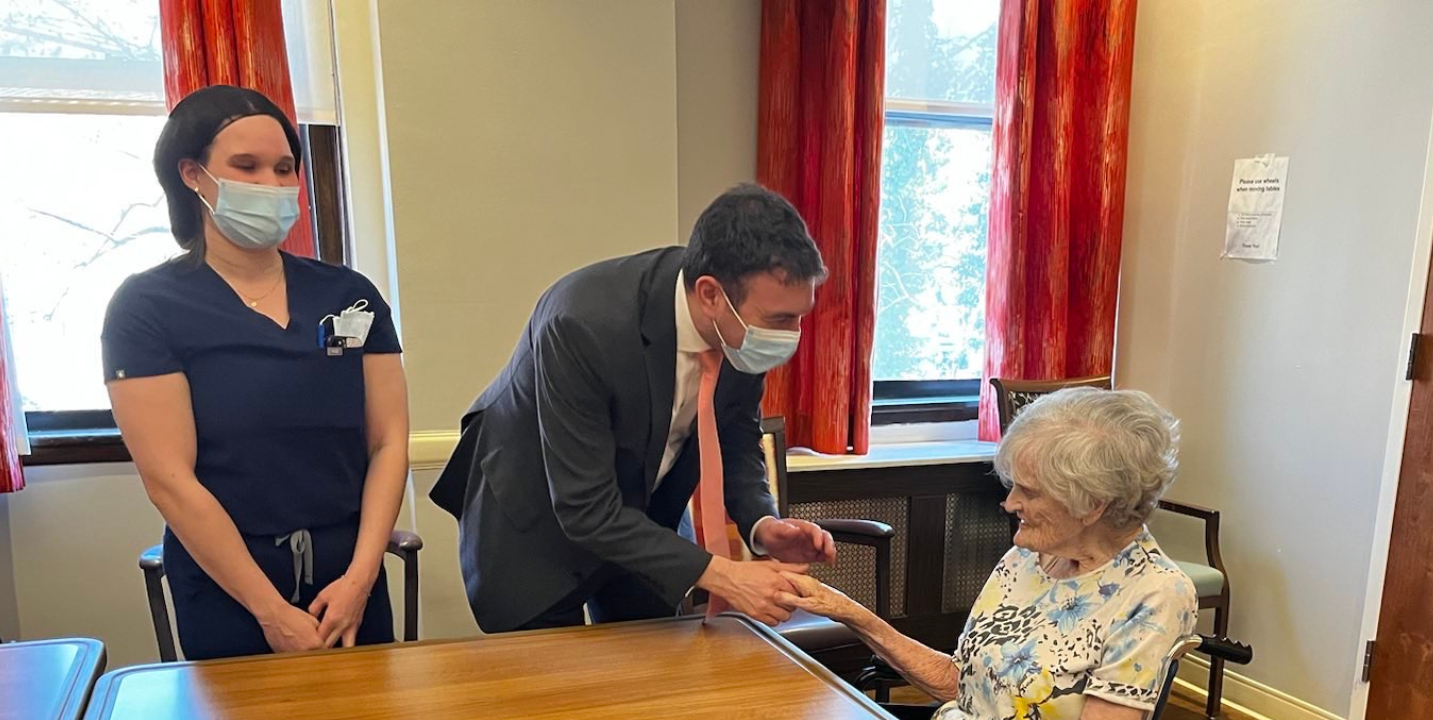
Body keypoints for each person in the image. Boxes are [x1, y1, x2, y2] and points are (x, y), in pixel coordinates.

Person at [431, 184, 837, 632]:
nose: (792, 334)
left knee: (656, 681)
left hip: (646, 520)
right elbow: (585, 508)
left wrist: (762, 523)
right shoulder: (582, 323)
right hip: (533, 524)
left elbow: (736, 435)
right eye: (780, 320)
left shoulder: (742, 330)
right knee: (547, 696)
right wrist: (728, 576)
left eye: (800, 316)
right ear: (710, 295)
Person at [102, 85, 409, 660]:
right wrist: (269, 611)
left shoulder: (348, 295)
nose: (271, 184)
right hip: (230, 585)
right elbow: (170, 478)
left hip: (349, 575)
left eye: (284, 168)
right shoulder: (147, 307)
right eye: (246, 167)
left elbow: (389, 442)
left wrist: (362, 578)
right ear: (192, 174)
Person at [780, 388, 1197, 720]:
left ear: (1092, 504)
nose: (1009, 503)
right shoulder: (1030, 557)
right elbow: (959, 681)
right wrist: (845, 609)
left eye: (1029, 491)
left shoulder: (1154, 595)